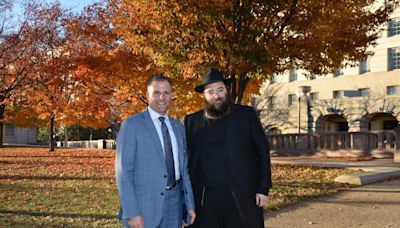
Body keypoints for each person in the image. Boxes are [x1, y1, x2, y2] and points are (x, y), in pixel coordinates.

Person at [184, 68, 272, 228]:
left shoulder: (246, 115)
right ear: (204, 95)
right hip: (205, 199)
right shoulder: (191, 121)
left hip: (241, 194)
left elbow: (262, 151)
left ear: (227, 90)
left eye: (220, 90)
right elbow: (188, 161)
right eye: (210, 91)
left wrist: (263, 188)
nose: (216, 95)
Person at [115, 75, 196, 228]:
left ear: (172, 95)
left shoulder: (178, 127)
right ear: (147, 95)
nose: (162, 97)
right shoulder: (132, 125)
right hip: (144, 207)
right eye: (156, 93)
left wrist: (189, 204)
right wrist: (132, 212)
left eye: (166, 93)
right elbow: (123, 172)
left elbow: (184, 170)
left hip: (175, 205)